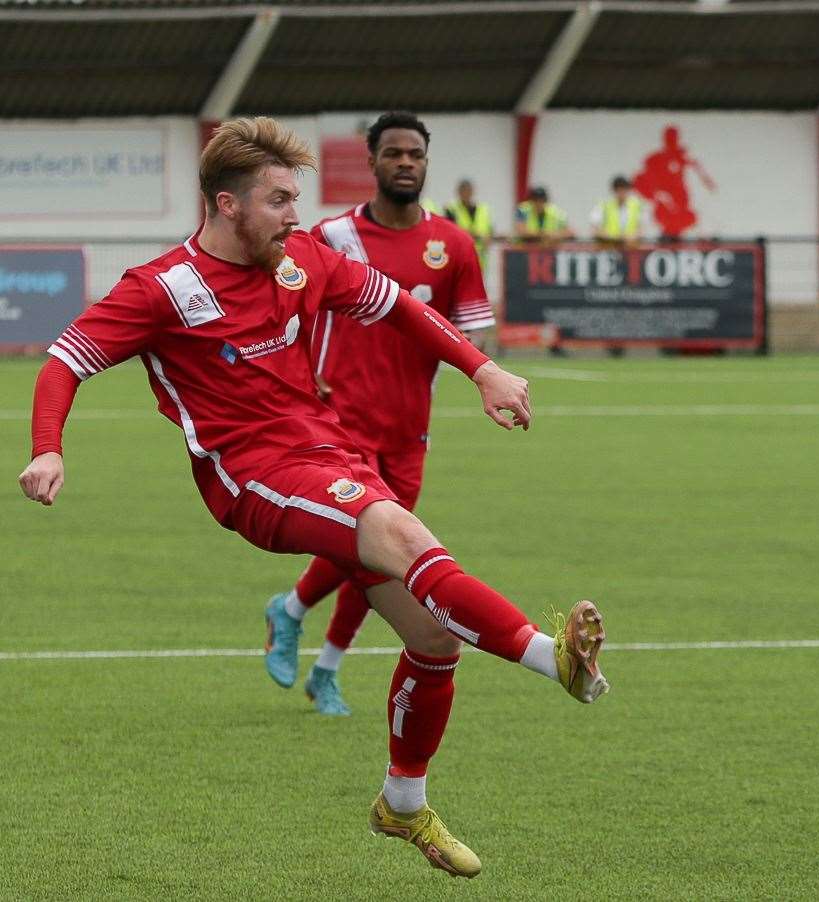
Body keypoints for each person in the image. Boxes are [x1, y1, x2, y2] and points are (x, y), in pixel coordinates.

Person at [18, 117, 609, 880]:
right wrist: (47, 447)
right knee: (397, 530)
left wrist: (480, 370)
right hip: (252, 478)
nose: (296, 215)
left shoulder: (302, 260)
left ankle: (402, 802)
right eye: (279, 200)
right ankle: (549, 658)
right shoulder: (163, 289)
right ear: (227, 205)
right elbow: (64, 360)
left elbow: (399, 304)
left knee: (433, 641)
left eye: (297, 199)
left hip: (334, 452)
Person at [260, 112, 496, 717]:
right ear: (372, 162)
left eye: (414, 154)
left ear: (426, 161)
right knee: (370, 549)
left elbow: (474, 332)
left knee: (384, 555)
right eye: (392, 153)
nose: (404, 163)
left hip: (409, 426)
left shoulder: (455, 246)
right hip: (340, 422)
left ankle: (311, 644)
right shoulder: (332, 237)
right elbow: (291, 306)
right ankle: (316, 649)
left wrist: (484, 375)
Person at [443, 178, 493, 267]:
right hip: (460, 256)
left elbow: (490, 230)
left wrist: (489, 238)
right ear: (458, 192)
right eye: (464, 191)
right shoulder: (451, 209)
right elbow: (450, 231)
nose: (466, 193)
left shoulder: (483, 209)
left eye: (468, 190)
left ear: (473, 191)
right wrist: (475, 234)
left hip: (480, 258)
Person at [591, 175, 648, 247]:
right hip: (609, 249)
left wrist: (631, 236)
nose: (621, 193)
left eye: (624, 189)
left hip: (630, 250)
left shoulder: (637, 205)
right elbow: (594, 230)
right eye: (618, 190)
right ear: (614, 190)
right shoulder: (604, 206)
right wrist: (613, 237)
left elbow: (642, 230)